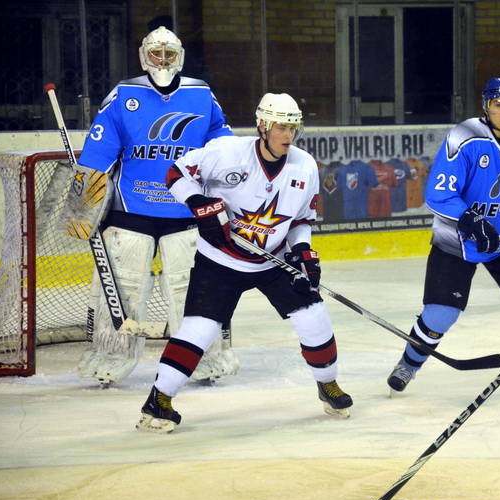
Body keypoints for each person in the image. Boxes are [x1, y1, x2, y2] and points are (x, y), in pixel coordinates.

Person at [136, 92, 353, 433]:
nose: (288, 135)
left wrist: (305, 252)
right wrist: (198, 202)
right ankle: (159, 399)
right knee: (201, 330)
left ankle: (327, 384)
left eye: (293, 127)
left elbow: (300, 221)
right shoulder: (227, 152)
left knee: (314, 317)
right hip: (219, 259)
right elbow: (176, 174)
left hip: (274, 260)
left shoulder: (304, 165)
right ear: (263, 126)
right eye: (281, 127)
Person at [63, 25, 238, 386]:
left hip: (186, 212)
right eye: (155, 54)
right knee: (122, 288)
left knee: (194, 289)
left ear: (180, 57)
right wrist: (82, 202)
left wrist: (229, 195)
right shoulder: (123, 94)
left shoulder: (202, 95)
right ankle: (109, 357)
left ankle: (205, 359)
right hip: (131, 210)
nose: (162, 60)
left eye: (169, 54)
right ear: (144, 56)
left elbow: (224, 150)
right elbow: (98, 154)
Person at [386, 77, 500, 393]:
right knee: (441, 313)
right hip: (457, 239)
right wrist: (470, 219)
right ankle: (408, 364)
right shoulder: (466, 136)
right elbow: (438, 193)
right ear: (486, 106)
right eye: (499, 104)